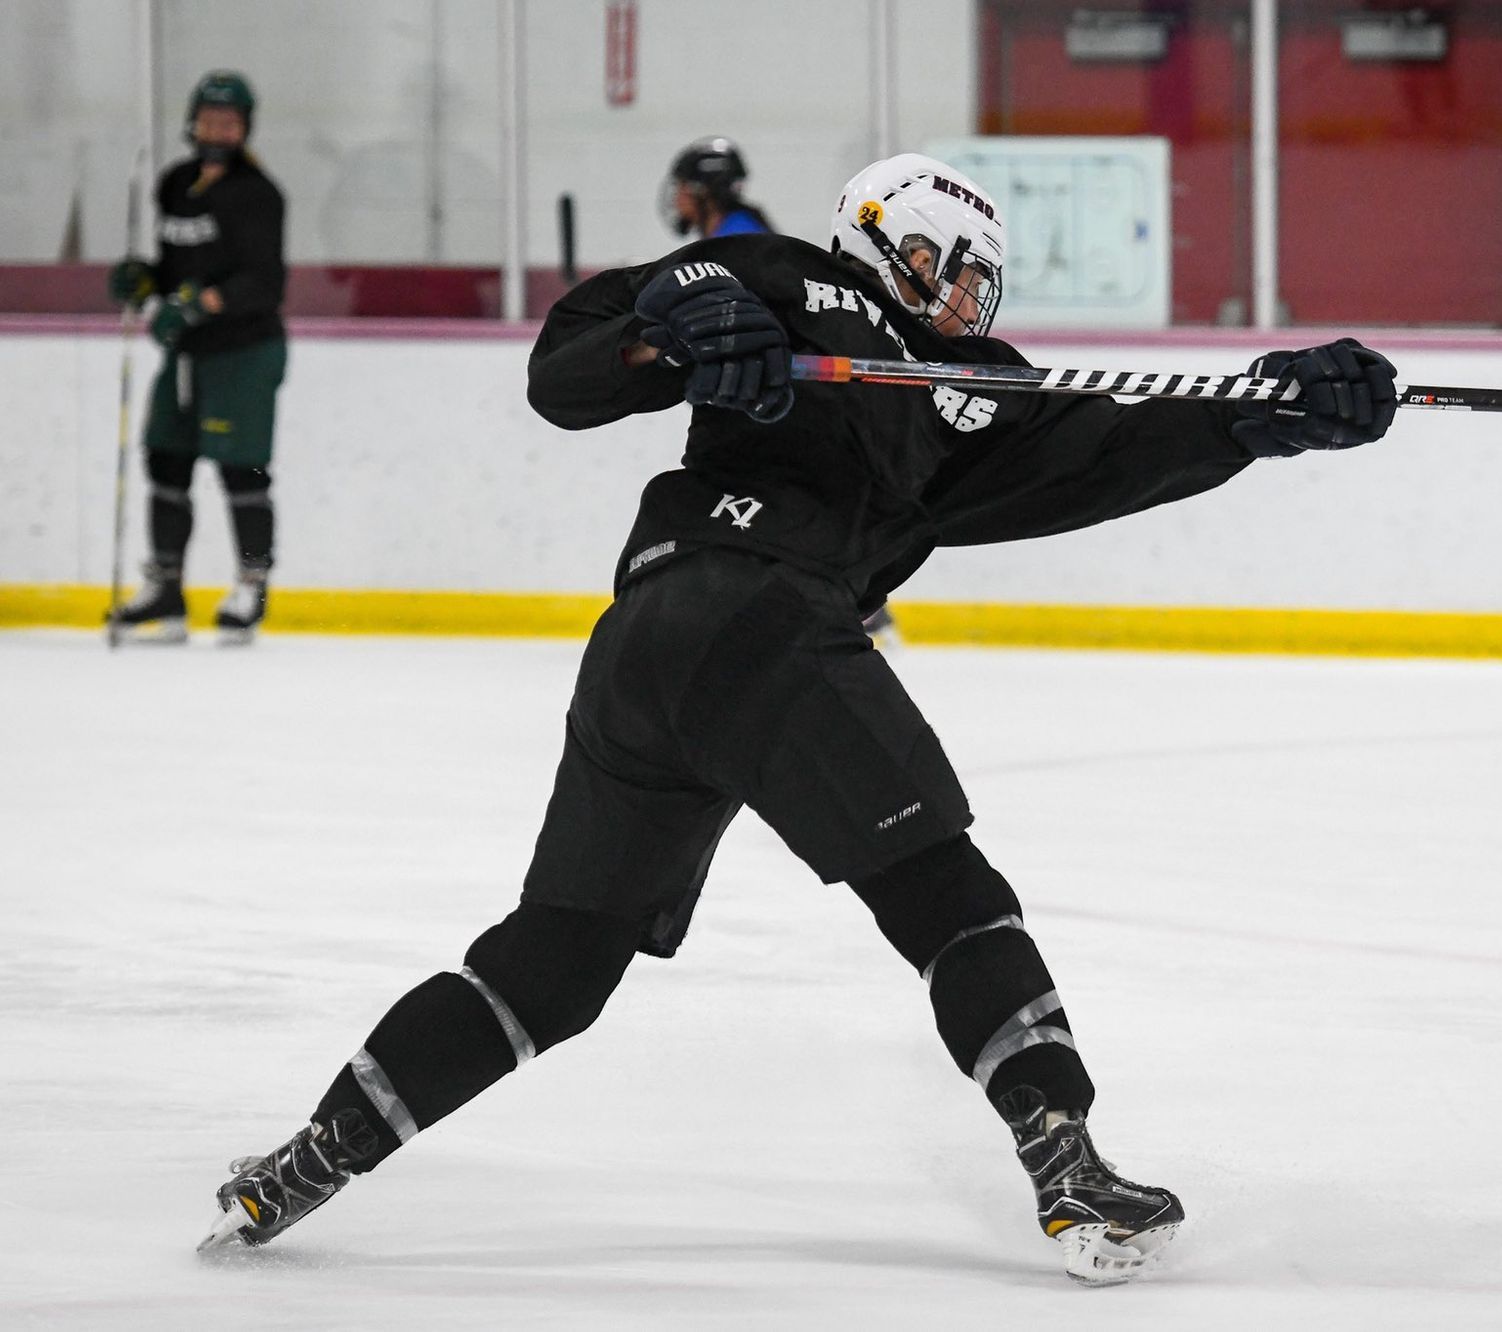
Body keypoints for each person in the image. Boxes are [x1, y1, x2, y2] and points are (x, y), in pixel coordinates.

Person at [196, 153, 1398, 1284]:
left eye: (984, 279)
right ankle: (1069, 1173)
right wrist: (675, 328)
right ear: (879, 237)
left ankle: (306, 1162)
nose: (966, 294)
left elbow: (1110, 446)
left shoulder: (962, 396)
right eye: (946, 263)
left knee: (557, 961)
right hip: (755, 614)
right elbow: (572, 364)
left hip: (651, 651)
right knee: (949, 899)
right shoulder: (787, 277)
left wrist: (1264, 412)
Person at [108, 70, 287, 645]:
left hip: (244, 351)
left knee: (241, 466)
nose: (218, 129)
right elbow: (179, 266)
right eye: (210, 118)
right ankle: (167, 589)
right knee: (166, 458)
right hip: (186, 352)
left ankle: (250, 586)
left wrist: (197, 303)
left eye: (230, 122)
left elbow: (263, 281)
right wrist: (147, 280)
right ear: (192, 120)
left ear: (245, 129)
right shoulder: (174, 184)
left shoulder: (258, 195)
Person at [659, 135, 775, 240]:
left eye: (682, 188)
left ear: (703, 193)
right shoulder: (739, 227)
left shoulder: (733, 241)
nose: (676, 200)